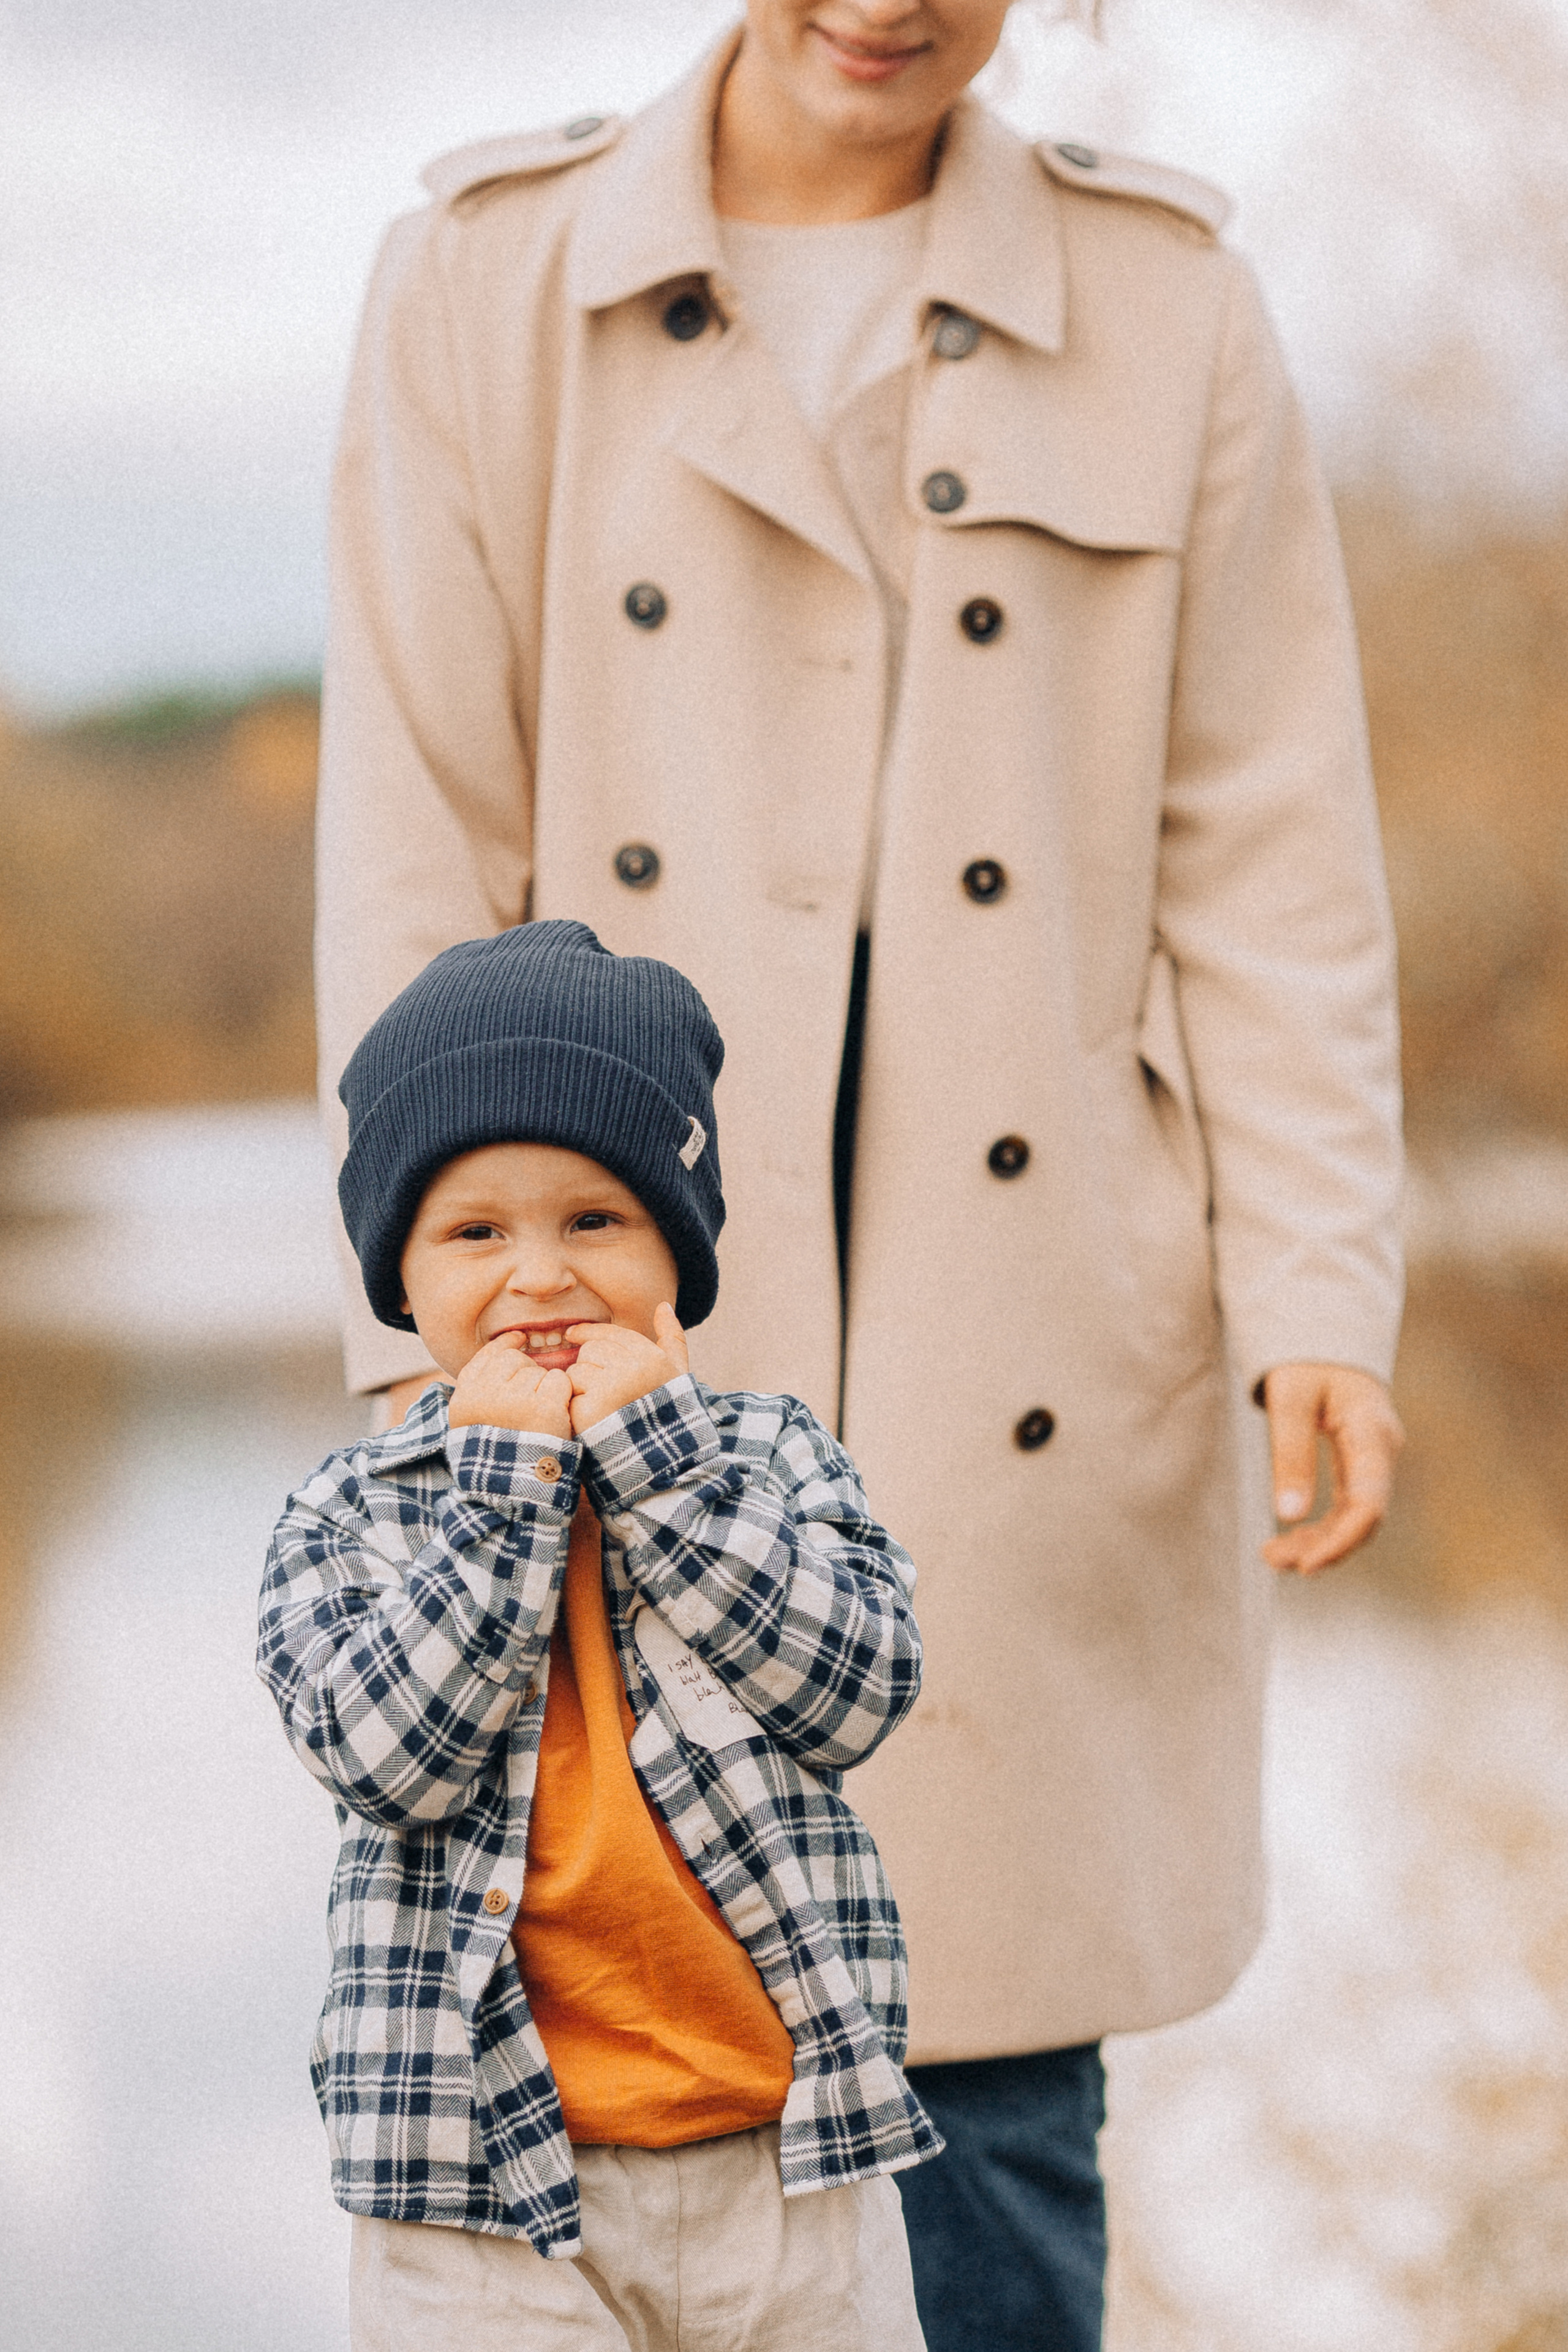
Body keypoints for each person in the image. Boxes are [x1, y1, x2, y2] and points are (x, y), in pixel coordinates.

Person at [312, 4, 1406, 2343]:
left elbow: (1275, 849)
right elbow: (412, 849)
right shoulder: (484, 282)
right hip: (599, 1332)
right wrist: (427, 1353)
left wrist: (1324, 1283)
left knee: (988, 2085)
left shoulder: (1172, 303)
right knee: (605, 2029)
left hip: (1032, 1337)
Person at [260, 918, 941, 2351]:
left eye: (592, 1221)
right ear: (403, 1274)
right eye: (475, 1233)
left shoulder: (769, 1464)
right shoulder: (348, 1515)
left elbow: (858, 1691)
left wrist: (660, 1466)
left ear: (672, 1249)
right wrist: (505, 1496)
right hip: (473, 2182)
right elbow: (390, 1761)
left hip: (786, 2156)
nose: (538, 1275)